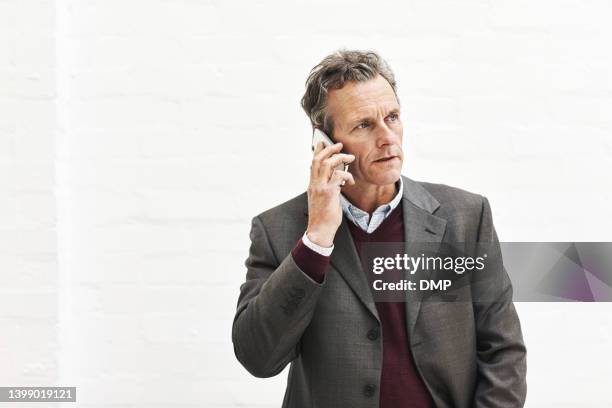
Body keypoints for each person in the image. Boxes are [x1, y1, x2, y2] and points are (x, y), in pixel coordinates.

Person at [232, 49, 527, 408]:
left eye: (392, 117)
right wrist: (316, 240)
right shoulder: (279, 229)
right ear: (323, 141)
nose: (388, 137)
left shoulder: (465, 216)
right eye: (364, 125)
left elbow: (503, 350)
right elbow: (258, 358)